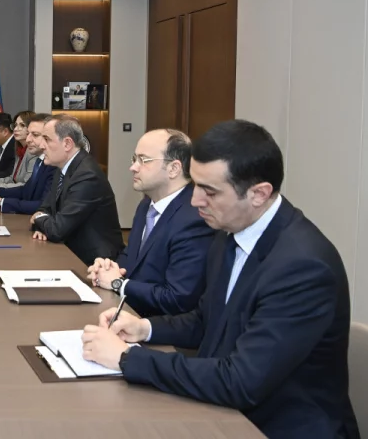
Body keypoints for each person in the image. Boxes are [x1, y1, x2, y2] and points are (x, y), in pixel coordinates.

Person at [81, 120, 358, 439]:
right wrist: (144, 328)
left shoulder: (303, 267)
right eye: (196, 185)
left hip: (276, 426)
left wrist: (127, 358)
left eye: (209, 191)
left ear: (259, 194)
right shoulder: (230, 232)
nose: (195, 200)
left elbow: (241, 381)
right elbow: (207, 320)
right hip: (221, 409)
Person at [87, 129, 213, 317]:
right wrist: (108, 268)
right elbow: (132, 256)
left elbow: (177, 298)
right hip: (130, 311)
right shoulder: (146, 204)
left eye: (144, 160)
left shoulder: (195, 219)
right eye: (134, 159)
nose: (133, 167)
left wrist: (118, 284)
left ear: (174, 169)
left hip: (160, 325)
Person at [30, 115, 122, 265]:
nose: (41, 145)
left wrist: (40, 220)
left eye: (46, 139)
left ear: (67, 144)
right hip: (70, 251)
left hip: (96, 262)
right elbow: (46, 208)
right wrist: (42, 224)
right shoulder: (63, 167)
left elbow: (57, 229)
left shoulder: (87, 175)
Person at [0, 113, 55, 214]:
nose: (28, 139)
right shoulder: (39, 161)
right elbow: (25, 190)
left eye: (35, 135)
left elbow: (44, 205)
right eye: (28, 134)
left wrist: (2, 202)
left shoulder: (53, 165)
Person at [0, 110, 35, 188]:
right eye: (15, 125)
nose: (15, 129)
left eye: (22, 125)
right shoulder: (19, 150)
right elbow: (12, 179)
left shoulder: (33, 153)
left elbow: (26, 186)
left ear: (32, 129)